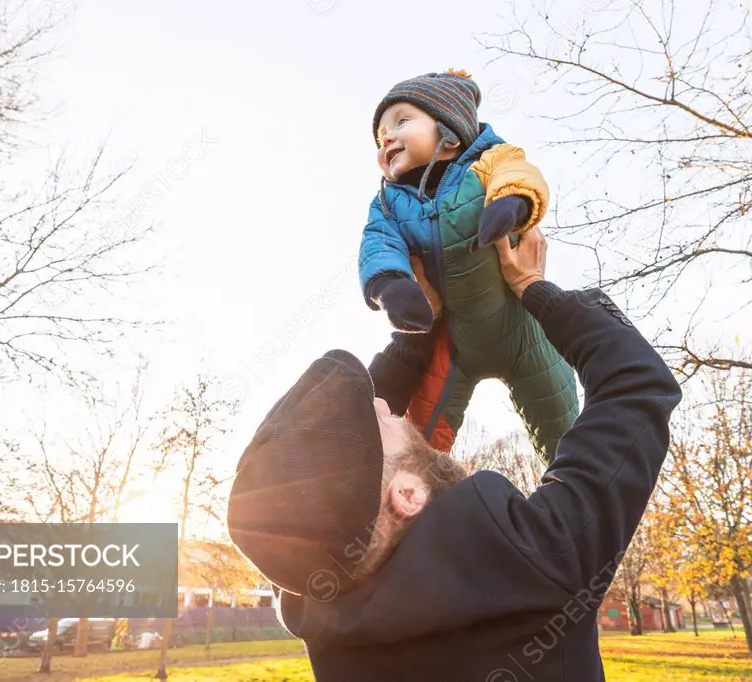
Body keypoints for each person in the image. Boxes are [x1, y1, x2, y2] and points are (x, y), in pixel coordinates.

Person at [227, 227, 683, 680]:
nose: (389, 405)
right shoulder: (538, 558)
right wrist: (536, 289)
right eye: (383, 420)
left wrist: (416, 335)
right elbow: (637, 385)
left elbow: (346, 479)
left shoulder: (324, 614)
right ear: (407, 496)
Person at [359, 68, 580, 460]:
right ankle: (409, 505)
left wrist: (512, 203)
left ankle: (582, 498)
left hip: (522, 326)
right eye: (380, 137)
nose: (387, 138)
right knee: (415, 448)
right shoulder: (390, 203)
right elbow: (378, 242)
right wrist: (389, 284)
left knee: (563, 431)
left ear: (451, 132)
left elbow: (518, 174)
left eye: (402, 122)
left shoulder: (490, 160)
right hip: (452, 342)